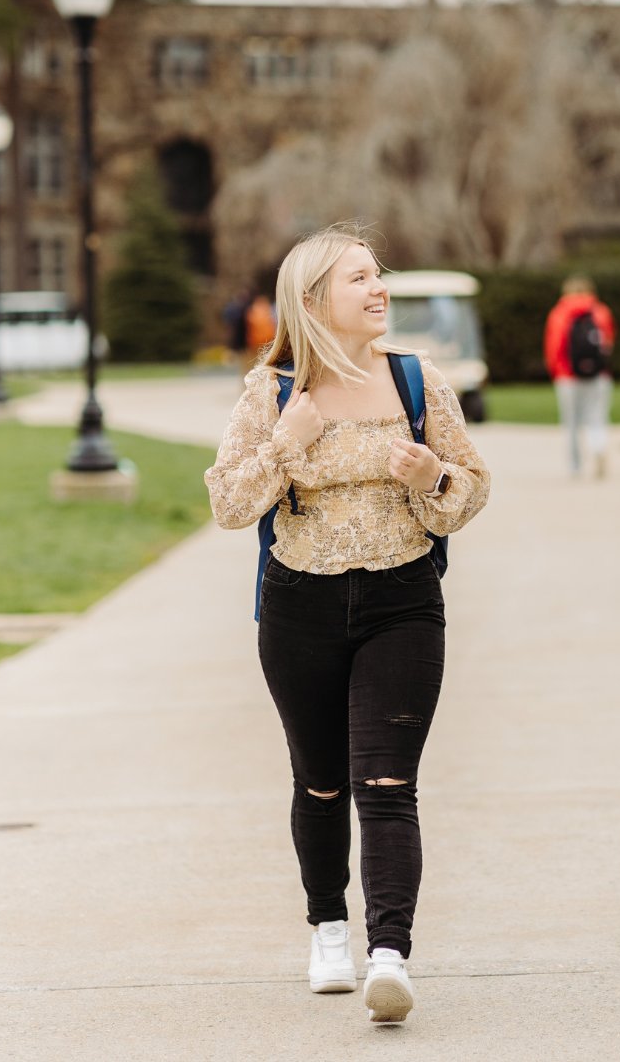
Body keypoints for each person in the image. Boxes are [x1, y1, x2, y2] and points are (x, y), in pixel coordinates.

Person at [205, 224, 490, 1023]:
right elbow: (229, 503)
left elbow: (469, 490)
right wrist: (285, 447)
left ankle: (389, 955)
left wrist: (434, 473)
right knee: (321, 780)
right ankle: (327, 927)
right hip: (300, 610)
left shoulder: (415, 381)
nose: (378, 288)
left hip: (403, 603)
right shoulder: (271, 394)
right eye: (359, 278)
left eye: (378, 274)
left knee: (388, 785)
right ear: (312, 301)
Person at [543, 275, 615, 478]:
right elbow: (608, 343)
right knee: (597, 417)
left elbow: (554, 347)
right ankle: (598, 447)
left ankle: (575, 466)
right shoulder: (601, 311)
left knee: (571, 422)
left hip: (568, 376)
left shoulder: (559, 313)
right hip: (599, 375)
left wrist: (556, 371)